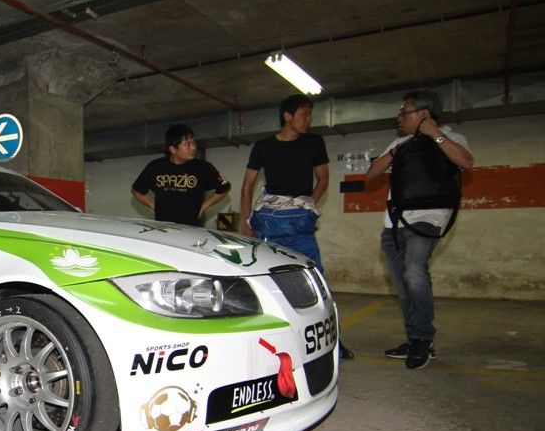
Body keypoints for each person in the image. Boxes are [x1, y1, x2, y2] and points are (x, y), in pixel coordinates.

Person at [240, 94, 353, 360]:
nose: (309, 120)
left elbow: (323, 179)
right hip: (269, 224)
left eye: (309, 115)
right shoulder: (264, 146)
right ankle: (277, 338)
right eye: (304, 115)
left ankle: (332, 340)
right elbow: (248, 184)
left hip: (299, 226)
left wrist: (306, 206)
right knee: (268, 280)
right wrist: (246, 222)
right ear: (287, 117)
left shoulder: (314, 143)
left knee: (316, 279)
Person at [367, 90, 473, 369]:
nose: (400, 118)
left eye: (405, 112)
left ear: (424, 114)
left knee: (414, 272)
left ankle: (423, 339)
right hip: (394, 224)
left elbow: (466, 162)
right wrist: (395, 151)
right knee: (404, 287)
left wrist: (434, 134)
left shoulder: (451, 137)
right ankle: (417, 338)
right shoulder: (400, 143)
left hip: (429, 218)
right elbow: (372, 173)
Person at [131, 124, 231, 226]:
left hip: (191, 229)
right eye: (187, 144)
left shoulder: (203, 167)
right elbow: (136, 190)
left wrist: (204, 207)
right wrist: (153, 206)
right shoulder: (156, 167)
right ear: (173, 149)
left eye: (194, 143)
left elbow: (225, 186)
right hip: (163, 228)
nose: (193, 148)